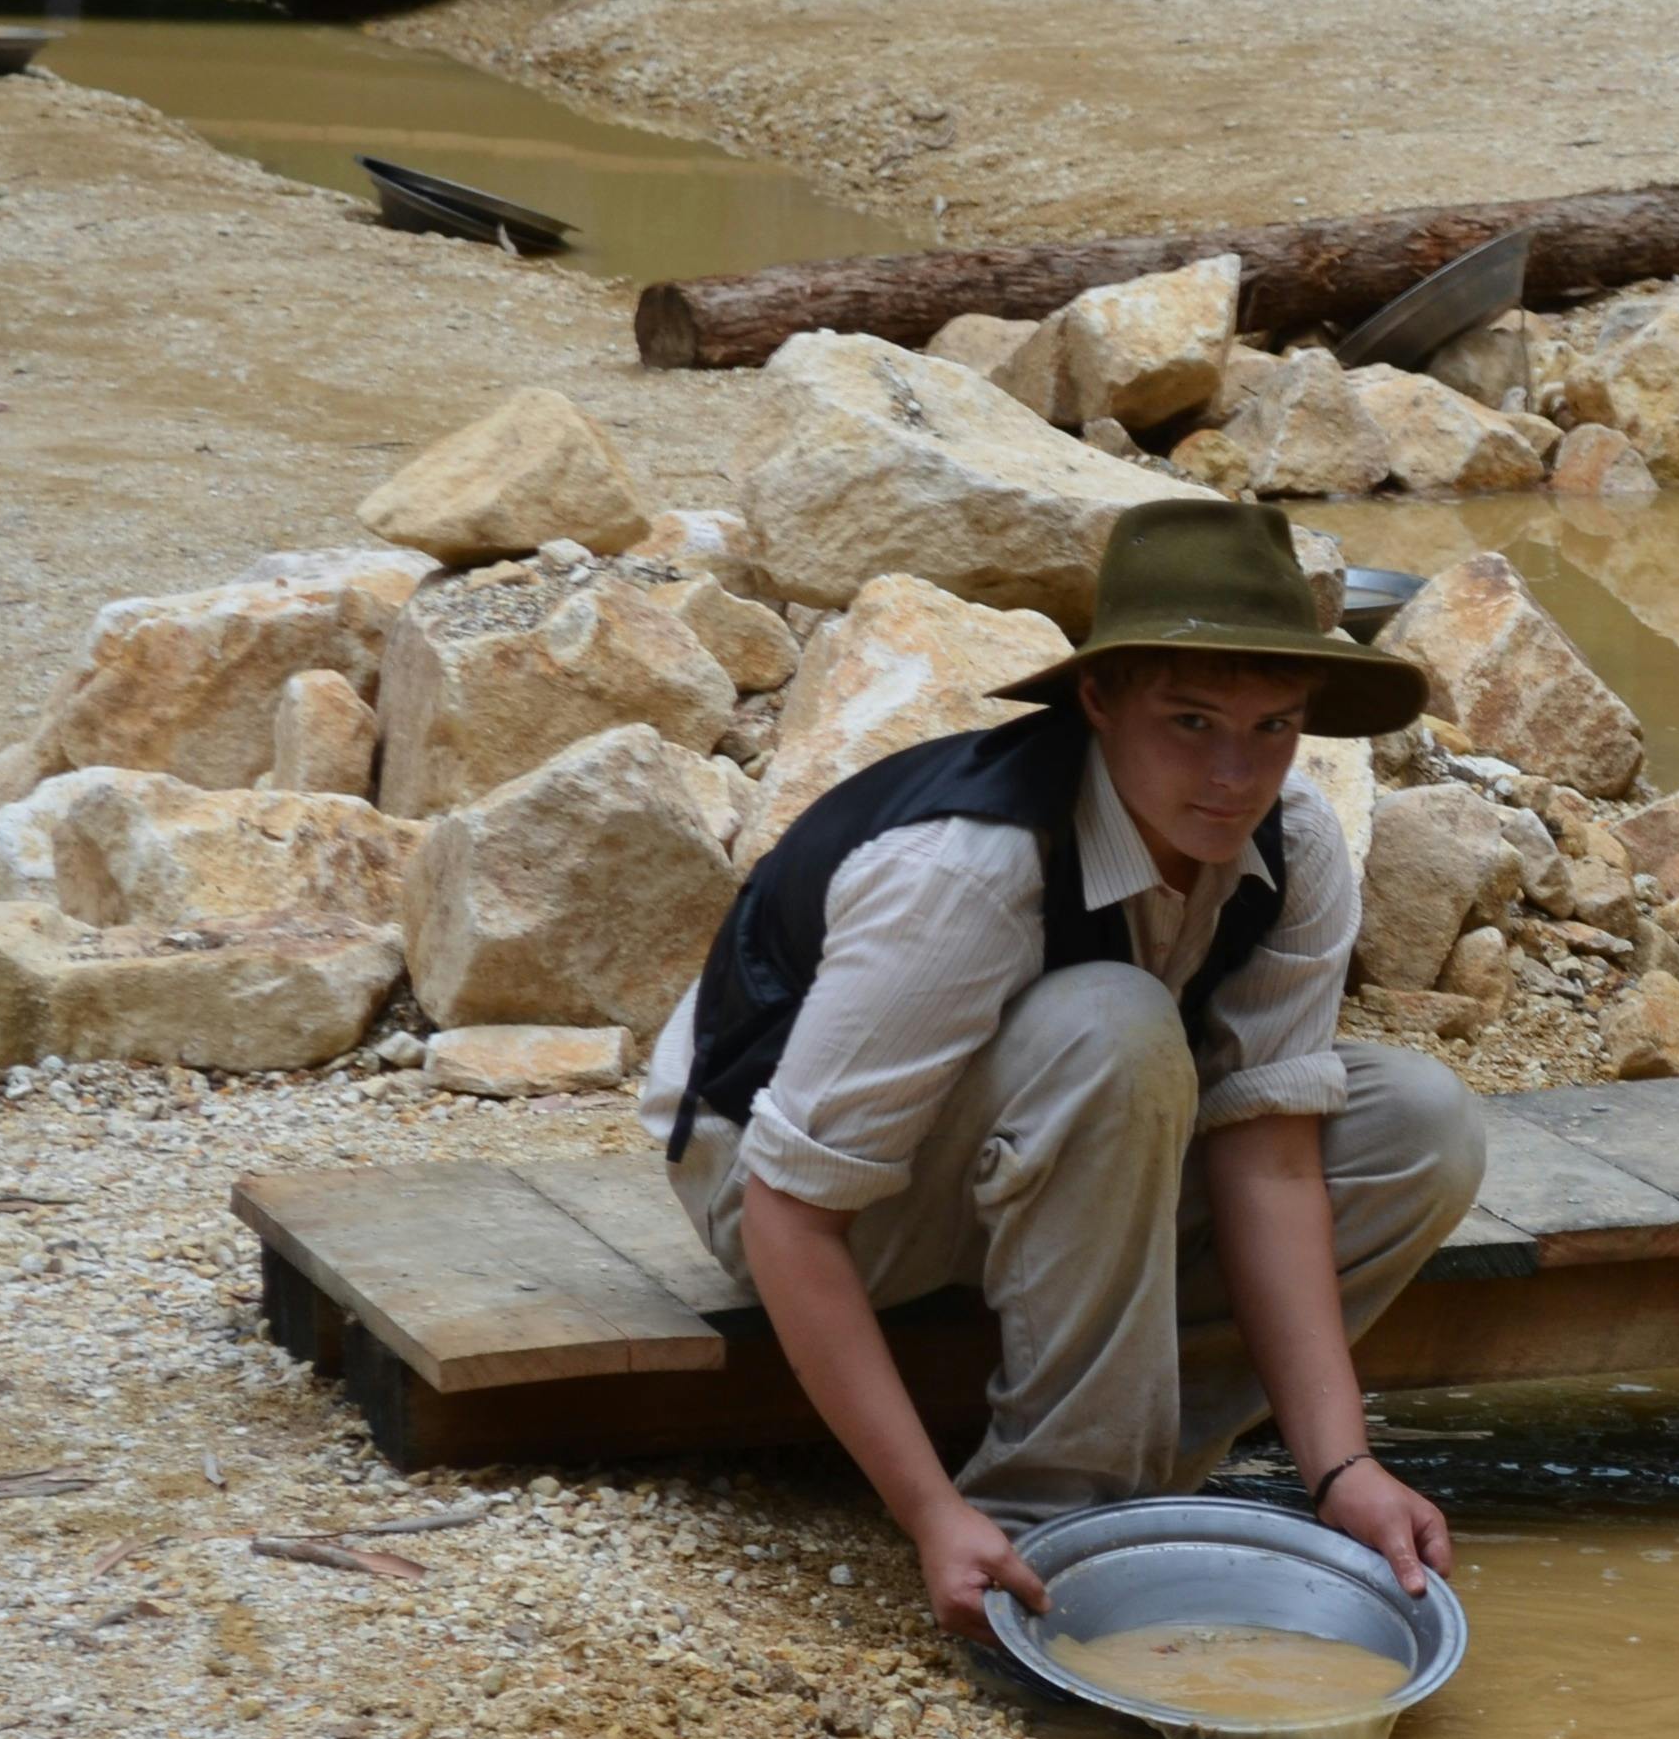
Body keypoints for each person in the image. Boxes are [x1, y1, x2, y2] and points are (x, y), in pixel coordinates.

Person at [633, 500, 1483, 1636]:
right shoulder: (965, 871)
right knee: (1114, 1023)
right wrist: (928, 1513)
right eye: (1190, 722)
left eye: (1273, 726)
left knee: (1418, 1122)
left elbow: (1272, 1160)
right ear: (1098, 701)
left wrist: (1342, 1467)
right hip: (792, 1193)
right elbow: (792, 1214)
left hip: (1030, 1141)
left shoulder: (1296, 841)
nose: (1235, 773)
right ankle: (1044, 1522)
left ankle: (1148, 1464)